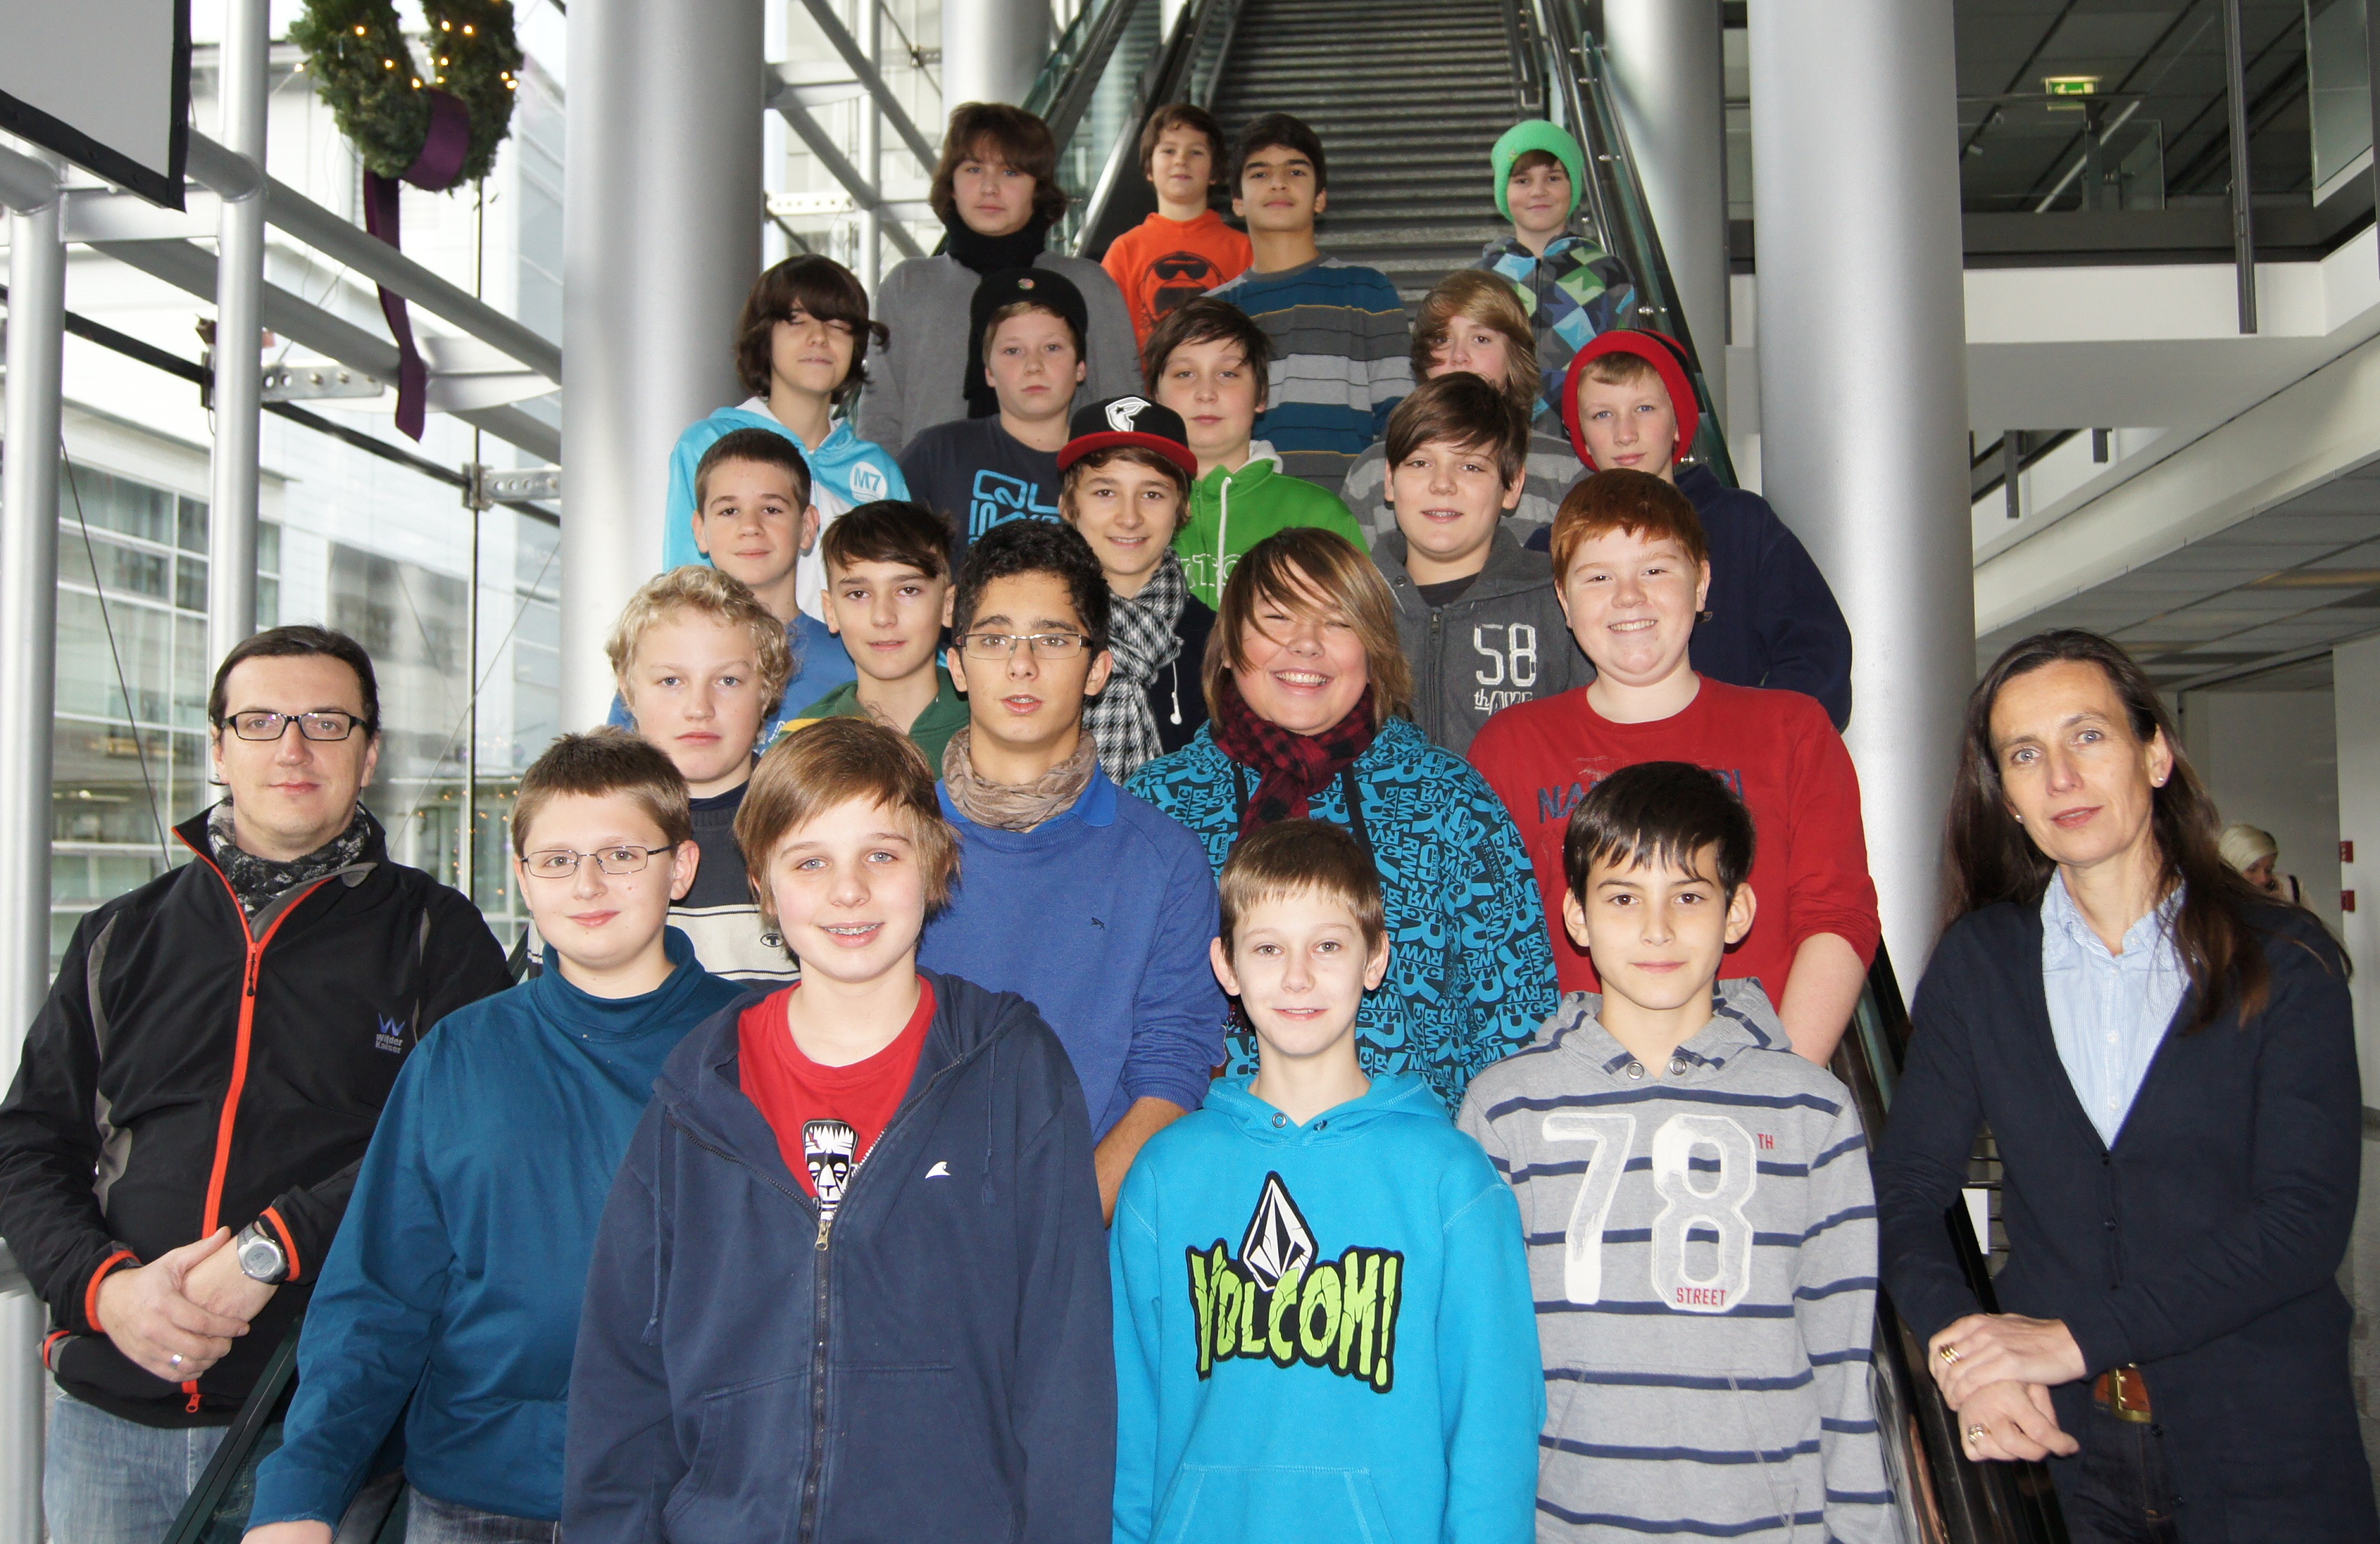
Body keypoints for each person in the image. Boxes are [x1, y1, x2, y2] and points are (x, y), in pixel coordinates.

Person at [0, 627, 509, 1544]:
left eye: (326, 721)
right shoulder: (123, 932)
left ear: (369, 753)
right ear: (218, 747)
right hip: (110, 1421)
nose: (293, 746)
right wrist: (105, 1289)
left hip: (324, 1423)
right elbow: (29, 1143)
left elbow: (461, 1146)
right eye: (261, 720)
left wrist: (273, 1246)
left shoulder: (436, 933)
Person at [1874, 629, 2378, 1541]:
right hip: (2065, 1454)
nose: (2061, 776)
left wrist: (2070, 1338)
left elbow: (2302, 1221)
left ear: (2155, 754)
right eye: (2025, 754)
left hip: (2264, 1446)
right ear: (2006, 796)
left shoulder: (2282, 958)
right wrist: (1965, 1352)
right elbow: (1906, 1190)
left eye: (2088, 735)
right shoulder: (1982, 963)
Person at [565, 717, 1113, 1543]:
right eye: (810, 861)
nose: (848, 891)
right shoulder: (701, 1086)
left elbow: (1064, 1368)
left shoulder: (1012, 1069)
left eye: (881, 855)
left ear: (936, 861)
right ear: (762, 883)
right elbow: (623, 1376)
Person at [240, 732, 742, 1544]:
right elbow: (379, 1293)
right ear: (522, 877)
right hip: (475, 1495)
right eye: (557, 859)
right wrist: (300, 1492)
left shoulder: (754, 1048)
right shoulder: (459, 1055)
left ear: (680, 867)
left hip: (689, 1495)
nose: (587, 883)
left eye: (621, 854)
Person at [1459, 762, 1894, 1544]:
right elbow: (1478, 1370)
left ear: (1737, 911)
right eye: (1623, 897)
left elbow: (1843, 1365)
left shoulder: (1813, 1112)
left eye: (1688, 896)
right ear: (1576, 916)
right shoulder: (1504, 1110)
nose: (1656, 928)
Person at [1111, 819, 1543, 1544]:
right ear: (1225, 965)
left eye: (1328, 946)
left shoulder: (1450, 1179)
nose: (1297, 977)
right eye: (1268, 947)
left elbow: (1493, 1429)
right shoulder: (1164, 1174)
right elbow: (1130, 1420)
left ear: (1375, 959)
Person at [1130, 528, 1555, 1110]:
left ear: (1374, 651)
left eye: (1336, 622)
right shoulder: (1158, 807)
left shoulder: (1449, 801)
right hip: (1209, 1152)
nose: (1306, 644)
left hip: (1413, 1154)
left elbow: (1515, 1019)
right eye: (1277, 617)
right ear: (1227, 646)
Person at [1468, 472, 1878, 1063]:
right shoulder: (1509, 747)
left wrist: (1781, 1085)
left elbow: (1835, 915)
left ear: (1701, 582)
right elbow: (1490, 949)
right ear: (1563, 599)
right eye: (1598, 576)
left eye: (1655, 569)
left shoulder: (1793, 730)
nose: (1628, 597)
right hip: (1573, 1088)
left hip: (1764, 1076)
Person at [918, 520, 1225, 1220]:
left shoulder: (1164, 861)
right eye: (994, 638)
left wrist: (1057, 1228)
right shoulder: (894, 843)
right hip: (911, 1232)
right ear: (957, 664)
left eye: (1053, 639)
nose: (1021, 665)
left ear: (1097, 669)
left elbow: (1172, 1075)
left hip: (1083, 1235)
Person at [1565, 329, 1854, 727]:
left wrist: (1751, 736)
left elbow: (1818, 655)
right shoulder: (1553, 547)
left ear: (1678, 423)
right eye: (1603, 414)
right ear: (1581, 436)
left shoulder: (1742, 525)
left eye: (1645, 408)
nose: (1625, 433)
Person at [857, 102, 1138, 453]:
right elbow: (880, 419)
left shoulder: (1087, 285)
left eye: (1010, 172)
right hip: (924, 485)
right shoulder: (908, 285)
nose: (989, 188)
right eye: (974, 169)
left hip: (1057, 486)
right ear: (952, 184)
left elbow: (1121, 412)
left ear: (1038, 188)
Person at [660, 255, 909, 621]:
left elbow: (908, 594)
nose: (819, 338)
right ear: (765, 337)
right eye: (797, 322)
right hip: (735, 653)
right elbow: (685, 585)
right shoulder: (707, 444)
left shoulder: (878, 470)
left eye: (837, 325)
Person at [1369, 372, 1590, 755]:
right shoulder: (1347, 604)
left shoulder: (1560, 599)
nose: (1442, 484)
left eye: (1470, 466)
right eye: (1420, 463)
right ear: (1390, 481)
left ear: (1512, 486)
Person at [608, 566, 798, 986]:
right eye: (671, 680)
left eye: (728, 680)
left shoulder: (810, 825)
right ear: (628, 689)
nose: (699, 708)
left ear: (767, 689)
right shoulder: (585, 834)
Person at [1206, 114, 1407, 494]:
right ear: (1237, 202)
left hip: (1347, 510)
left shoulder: (1367, 291)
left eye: (1296, 172)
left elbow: (1399, 416)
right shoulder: (1213, 312)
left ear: (1320, 198)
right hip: (1243, 508)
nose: (1278, 182)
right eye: (1260, 173)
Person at [611, 429, 854, 740]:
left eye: (771, 509)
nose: (750, 527)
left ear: (807, 526)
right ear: (700, 530)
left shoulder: (852, 663)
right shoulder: (657, 667)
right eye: (729, 511)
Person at [1145, 297, 1368, 608]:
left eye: (1228, 374)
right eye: (1185, 374)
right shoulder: (1129, 509)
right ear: (1154, 396)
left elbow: (1360, 628)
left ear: (1261, 395)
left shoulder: (1320, 515)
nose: (1206, 393)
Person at [1343, 270, 1590, 547]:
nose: (1459, 356)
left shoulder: (1565, 471)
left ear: (1515, 356)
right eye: (1441, 339)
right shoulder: (1372, 471)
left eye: (1480, 339)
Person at [1055, 395, 1214, 777]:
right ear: (1068, 505)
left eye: (1152, 494)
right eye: (1105, 492)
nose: (1129, 518)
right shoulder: (1037, 631)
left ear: (1183, 508)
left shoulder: (1219, 641)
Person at [897, 267, 1087, 557]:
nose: (1033, 366)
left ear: (1080, 367)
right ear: (988, 372)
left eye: (1052, 347)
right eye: (1013, 351)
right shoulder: (938, 453)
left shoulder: (1103, 465)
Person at [780, 499, 970, 766]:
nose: (882, 617)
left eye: (908, 590)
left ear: (948, 605)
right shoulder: (802, 747)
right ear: (831, 611)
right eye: (858, 594)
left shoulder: (992, 723)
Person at [1474, 119, 1637, 424]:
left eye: (1553, 178)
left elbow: (1625, 369)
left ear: (1573, 186)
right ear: (1503, 191)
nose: (1539, 191)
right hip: (1496, 440)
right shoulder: (1480, 280)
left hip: (1584, 441)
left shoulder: (1609, 274)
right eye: (1522, 180)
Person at [1099, 103, 1252, 347]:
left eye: (1196, 152)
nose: (1181, 160)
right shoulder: (1125, 251)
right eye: (1169, 151)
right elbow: (1106, 340)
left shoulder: (1244, 250)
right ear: (1149, 169)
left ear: (1215, 171)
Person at [2219, 820, 2301, 904]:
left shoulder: (2290, 888)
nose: (2263, 879)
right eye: (2252, 869)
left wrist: (2279, 906)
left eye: (2268, 870)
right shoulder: (2213, 905)